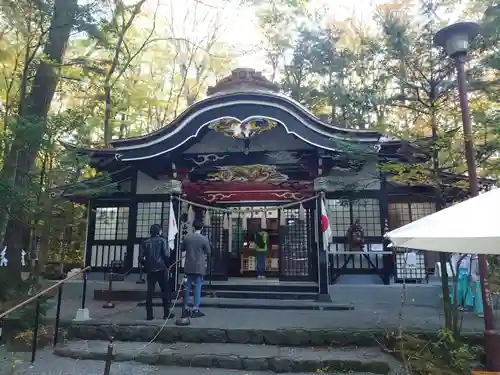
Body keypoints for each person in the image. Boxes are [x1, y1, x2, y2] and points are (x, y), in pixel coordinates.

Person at [139, 224, 173, 320]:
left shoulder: (145, 242)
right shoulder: (163, 240)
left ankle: (149, 315)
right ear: (159, 231)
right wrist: (167, 265)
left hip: (150, 269)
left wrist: (146, 264)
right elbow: (166, 255)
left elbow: (140, 257)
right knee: (164, 291)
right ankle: (166, 313)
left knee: (150, 292)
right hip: (161, 268)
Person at [182, 220, 211, 318]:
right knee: (198, 286)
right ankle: (195, 308)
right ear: (202, 228)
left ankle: (185, 307)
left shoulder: (187, 237)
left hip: (189, 264)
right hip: (199, 265)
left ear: (193, 227)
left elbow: (182, 248)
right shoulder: (204, 239)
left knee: (187, 286)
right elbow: (208, 251)